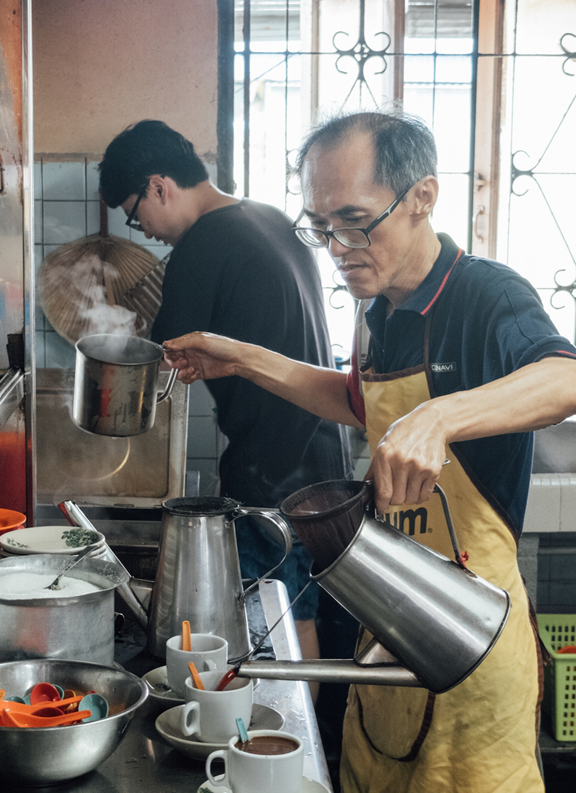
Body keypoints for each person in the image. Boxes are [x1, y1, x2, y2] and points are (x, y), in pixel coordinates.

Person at [160, 110, 576, 793]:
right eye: (320, 226)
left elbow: (565, 378)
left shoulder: (485, 295)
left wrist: (439, 417)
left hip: (470, 643)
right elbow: (358, 400)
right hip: (388, 628)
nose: (336, 246)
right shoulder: (376, 309)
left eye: (354, 221)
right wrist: (239, 356)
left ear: (422, 197)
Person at [98, 120, 354, 681]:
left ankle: (281, 750)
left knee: (267, 631)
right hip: (322, 463)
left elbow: (153, 356)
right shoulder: (264, 217)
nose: (142, 230)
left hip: (271, 477)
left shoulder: (205, 242)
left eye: (135, 214)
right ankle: (302, 752)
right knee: (294, 617)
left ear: (158, 185)